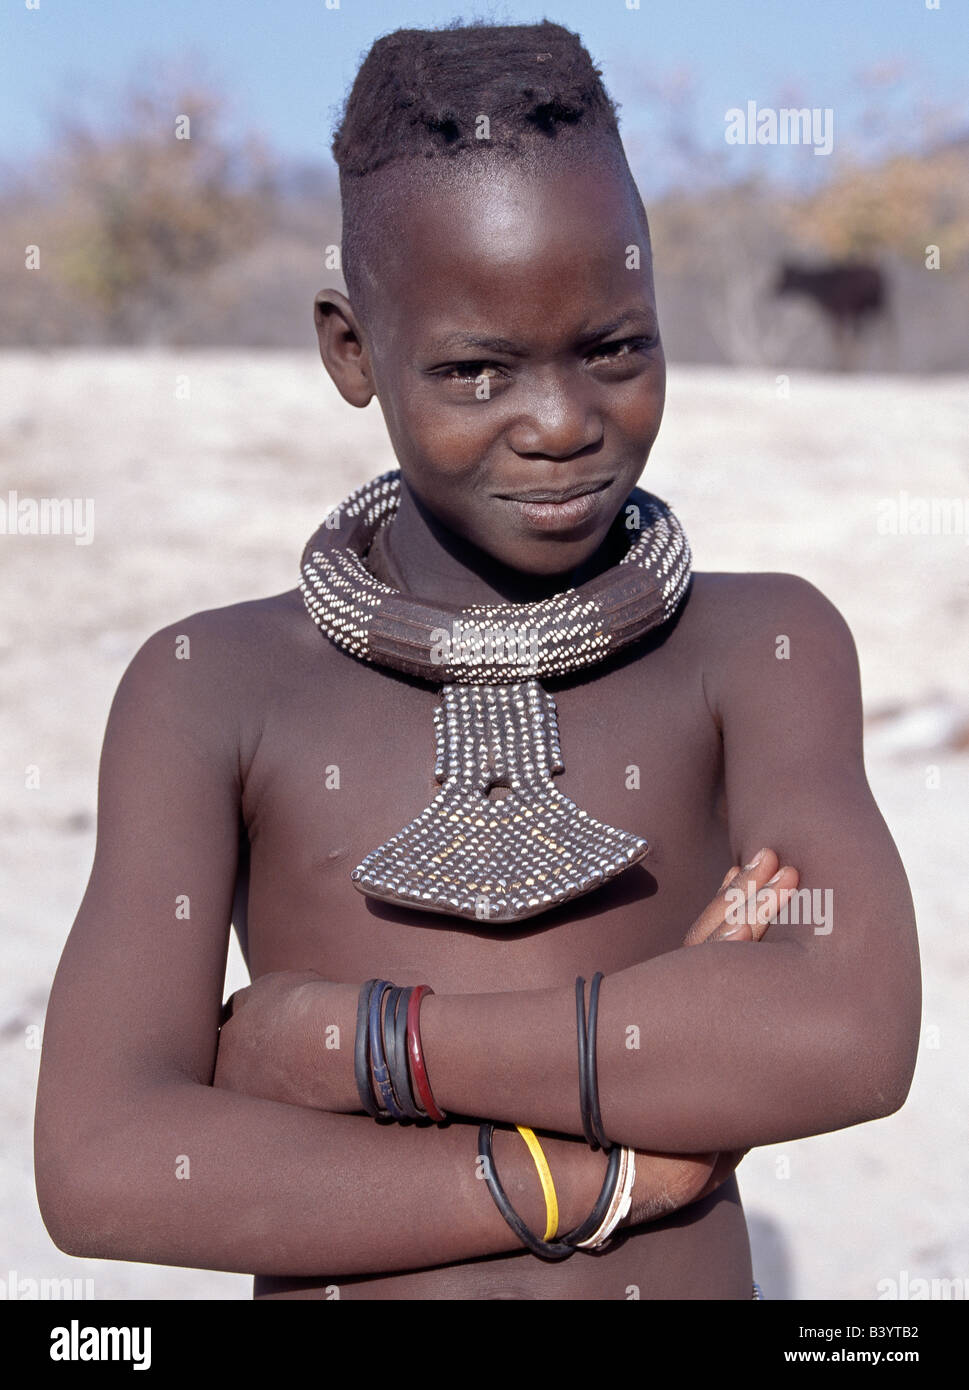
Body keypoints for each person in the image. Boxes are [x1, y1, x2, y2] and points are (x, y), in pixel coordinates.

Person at [33, 19, 920, 1300]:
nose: (562, 423)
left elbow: (850, 1032)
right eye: (475, 369)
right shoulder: (207, 688)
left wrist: (360, 1048)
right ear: (352, 349)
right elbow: (105, 1160)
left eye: (615, 347)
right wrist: (599, 1167)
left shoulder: (758, 649)